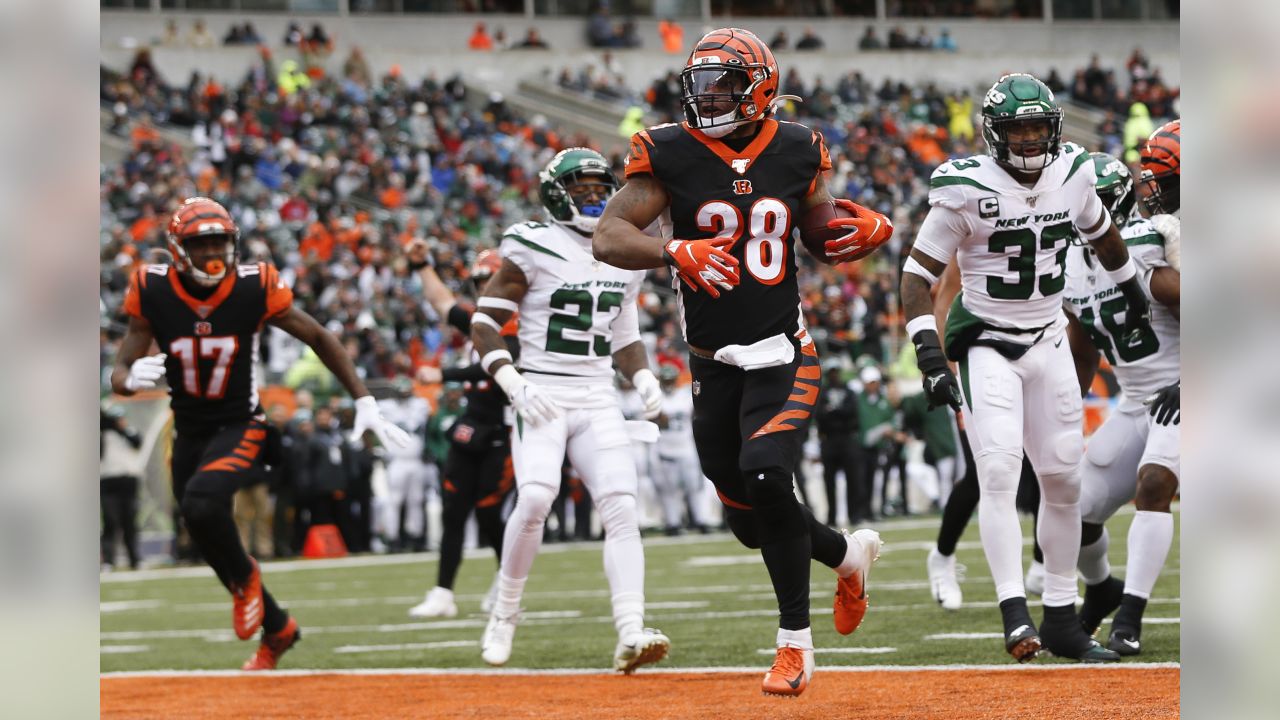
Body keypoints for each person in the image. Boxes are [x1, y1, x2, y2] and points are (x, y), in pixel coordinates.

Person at [593, 28, 891, 697]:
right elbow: (610, 236)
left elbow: (815, 229)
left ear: (758, 89)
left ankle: (794, 647)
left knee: (766, 475)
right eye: (703, 83)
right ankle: (847, 556)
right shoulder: (667, 149)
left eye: (725, 83)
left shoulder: (797, 146)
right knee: (750, 521)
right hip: (712, 363)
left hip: (783, 351)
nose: (711, 95)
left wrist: (855, 232)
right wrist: (676, 252)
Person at [899, 73, 1152, 663]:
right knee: (998, 473)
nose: (1032, 140)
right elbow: (917, 277)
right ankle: (1015, 614)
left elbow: (1104, 235)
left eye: (1040, 127)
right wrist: (928, 354)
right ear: (995, 134)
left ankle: (1062, 617)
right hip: (988, 341)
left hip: (1048, 341)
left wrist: (1130, 291)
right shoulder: (965, 188)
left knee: (1063, 480)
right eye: (1020, 129)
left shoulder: (1075, 173)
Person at [111, 197, 409, 670]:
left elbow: (318, 335)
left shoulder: (255, 285)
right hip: (188, 427)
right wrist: (128, 378)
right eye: (200, 241)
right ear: (177, 248)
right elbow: (121, 369)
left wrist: (364, 399)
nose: (212, 251)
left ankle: (248, 577)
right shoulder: (151, 288)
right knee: (204, 531)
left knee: (202, 504)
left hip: (240, 422)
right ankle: (279, 628)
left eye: (219, 240)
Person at [472, 147, 670, 674]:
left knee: (622, 505)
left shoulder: (626, 246)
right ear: (556, 193)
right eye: (580, 188)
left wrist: (644, 376)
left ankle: (631, 629)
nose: (592, 195)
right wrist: (513, 383)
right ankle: (505, 613)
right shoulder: (532, 243)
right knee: (535, 496)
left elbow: (624, 333)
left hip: (598, 392)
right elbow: (484, 323)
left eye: (598, 187)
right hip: (541, 389)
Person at [1066, 150, 1180, 656]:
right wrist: (1064, 410)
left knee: (1153, 484)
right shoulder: (1068, 265)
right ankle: (1102, 589)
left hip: (1185, 392)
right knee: (1077, 507)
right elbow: (1083, 346)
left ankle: (1129, 615)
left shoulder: (1141, 247)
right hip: (1137, 401)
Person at [407, 248, 516, 619]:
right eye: (481, 282)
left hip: (505, 428)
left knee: (489, 513)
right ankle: (442, 592)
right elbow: (441, 302)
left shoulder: (524, 322)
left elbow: (495, 364)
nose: (486, 288)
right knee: (454, 511)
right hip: (473, 425)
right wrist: (422, 265)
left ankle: (508, 584)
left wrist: (445, 374)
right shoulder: (478, 319)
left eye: (492, 280)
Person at [652, 364, 712, 534]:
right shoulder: (655, 397)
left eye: (671, 379)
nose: (669, 382)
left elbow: (698, 409)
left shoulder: (685, 395)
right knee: (668, 490)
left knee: (695, 487)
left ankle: (701, 521)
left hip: (686, 448)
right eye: (666, 379)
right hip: (664, 449)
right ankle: (673, 523)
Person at [377, 376, 432, 553]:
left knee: (415, 500)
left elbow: (426, 423)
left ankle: (415, 536)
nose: (404, 395)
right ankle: (392, 538)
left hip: (415, 459)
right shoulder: (386, 407)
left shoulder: (420, 404)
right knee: (394, 500)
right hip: (396, 460)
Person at [815, 359, 860, 526]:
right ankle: (831, 516)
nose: (834, 375)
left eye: (836, 371)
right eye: (831, 372)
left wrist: (833, 412)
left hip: (846, 438)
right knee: (829, 481)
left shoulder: (849, 391)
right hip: (829, 439)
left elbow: (852, 412)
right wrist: (839, 414)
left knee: (853, 478)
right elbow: (820, 415)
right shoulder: (822, 392)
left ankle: (854, 515)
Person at [101, 404, 143, 571]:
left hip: (129, 480)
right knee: (111, 521)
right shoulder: (102, 435)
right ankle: (108, 560)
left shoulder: (130, 432)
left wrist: (121, 429)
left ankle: (135, 559)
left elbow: (137, 442)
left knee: (130, 521)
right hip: (108, 480)